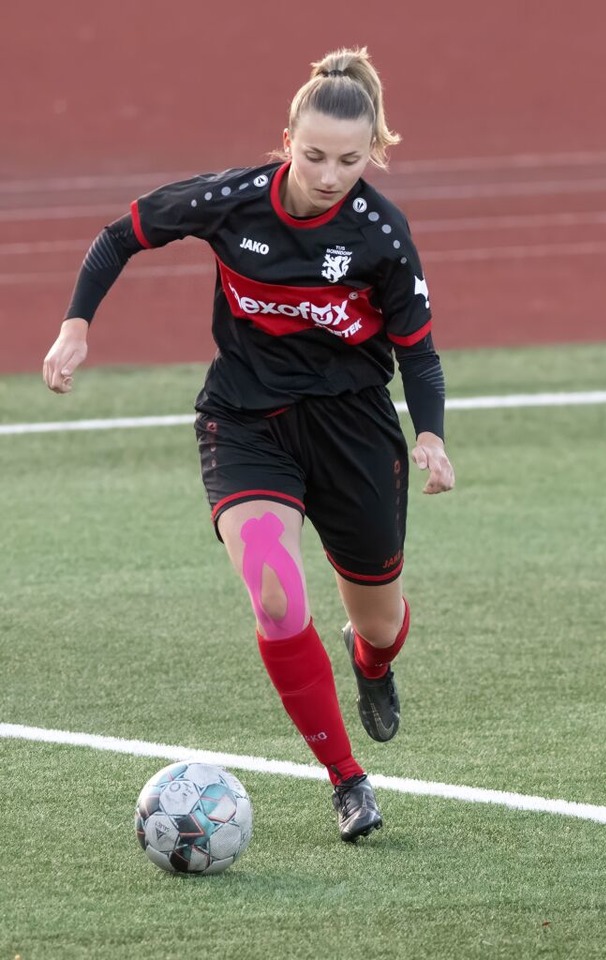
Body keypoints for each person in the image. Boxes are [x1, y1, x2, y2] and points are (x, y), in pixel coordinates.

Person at [43, 46, 455, 843]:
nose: (330, 174)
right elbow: (119, 236)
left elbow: (420, 351)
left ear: (373, 153)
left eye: (349, 159)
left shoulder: (381, 235)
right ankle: (347, 781)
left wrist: (431, 433)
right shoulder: (232, 201)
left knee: (379, 621)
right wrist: (75, 326)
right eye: (313, 155)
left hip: (354, 431)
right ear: (286, 140)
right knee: (275, 595)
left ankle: (370, 663)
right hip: (246, 422)